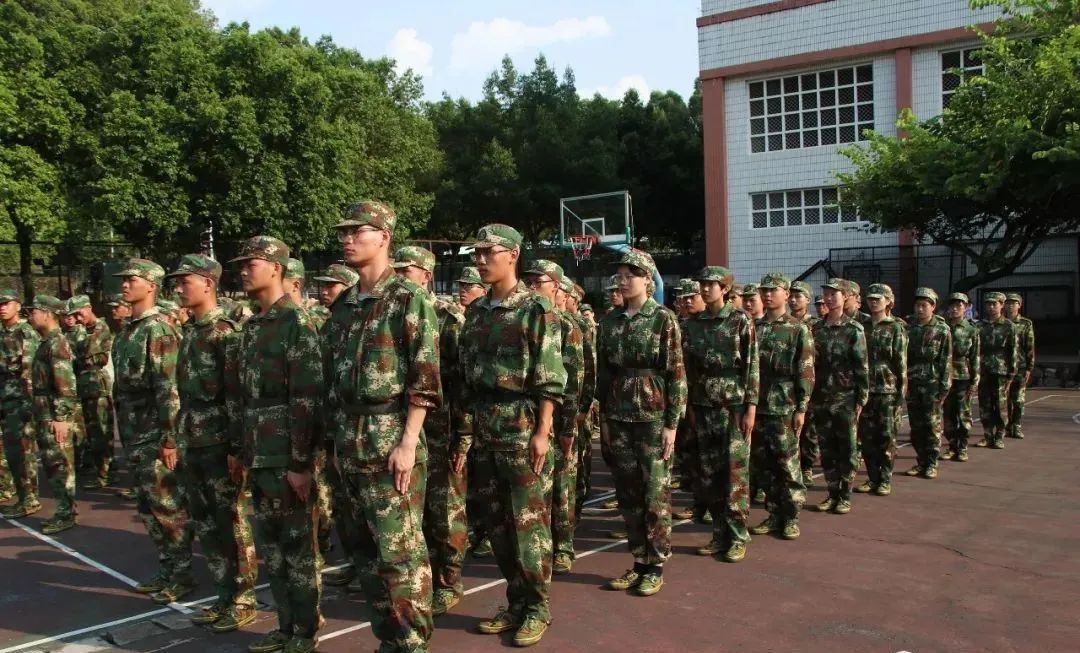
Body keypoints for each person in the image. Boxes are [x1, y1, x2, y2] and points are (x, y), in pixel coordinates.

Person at [321, 204, 440, 653]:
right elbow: (334, 378)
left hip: (390, 433)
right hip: (350, 439)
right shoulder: (346, 304)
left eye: (358, 231)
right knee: (363, 550)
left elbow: (424, 378)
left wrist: (409, 441)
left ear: (384, 237)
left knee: (400, 551)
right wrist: (334, 441)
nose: (347, 239)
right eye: (343, 232)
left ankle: (412, 641)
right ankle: (389, 638)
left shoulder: (409, 298)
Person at [458, 224, 565, 646]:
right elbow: (466, 377)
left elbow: (550, 376)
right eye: (476, 254)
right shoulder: (478, 311)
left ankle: (538, 607)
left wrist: (543, 431)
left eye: (488, 252)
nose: (480, 260)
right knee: (498, 526)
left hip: (521, 428)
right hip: (485, 428)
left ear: (513, 255)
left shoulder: (536, 309)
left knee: (528, 526)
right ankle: (516, 601)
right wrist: (465, 434)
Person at [227, 237, 324, 653]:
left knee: (299, 551)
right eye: (242, 264)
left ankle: (304, 630)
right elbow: (243, 396)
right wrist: (239, 450)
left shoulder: (298, 324)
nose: (244, 270)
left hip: (287, 455)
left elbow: (307, 399)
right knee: (273, 550)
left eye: (252, 263)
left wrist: (301, 462)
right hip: (259, 453)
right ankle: (285, 626)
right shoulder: (252, 327)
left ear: (276, 268)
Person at [168, 254, 258, 633]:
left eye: (184, 281)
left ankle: (243, 598)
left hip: (220, 442)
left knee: (231, 521)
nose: (177, 288)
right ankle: (224, 595)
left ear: (208, 283)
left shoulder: (225, 334)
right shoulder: (191, 331)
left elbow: (238, 397)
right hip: (194, 438)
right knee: (206, 522)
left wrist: (238, 448)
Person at [597, 249, 686, 596]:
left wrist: (672, 424)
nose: (624, 278)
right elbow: (604, 373)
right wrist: (603, 415)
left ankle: (656, 563)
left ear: (648, 279)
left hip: (652, 416)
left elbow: (675, 372)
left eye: (631, 273)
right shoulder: (609, 322)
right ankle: (638, 561)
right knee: (628, 492)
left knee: (654, 494)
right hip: (618, 413)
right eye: (621, 273)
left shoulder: (663, 319)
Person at [392, 245, 469, 617]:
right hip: (406, 427)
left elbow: (461, 384)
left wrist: (464, 436)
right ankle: (418, 580)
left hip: (443, 427)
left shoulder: (449, 319)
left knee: (445, 509)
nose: (400, 276)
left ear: (425, 274)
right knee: (413, 513)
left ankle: (448, 581)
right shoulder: (393, 311)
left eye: (406, 271)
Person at [111, 259, 194, 604]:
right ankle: (167, 568)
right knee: (148, 508)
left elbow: (168, 388)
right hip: (134, 433)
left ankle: (183, 575)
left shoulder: (157, 330)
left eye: (132, 279)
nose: (125, 285)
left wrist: (170, 438)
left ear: (151, 285)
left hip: (154, 435)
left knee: (168, 507)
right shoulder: (128, 330)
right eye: (125, 279)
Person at [682, 266, 758, 562]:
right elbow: (687, 368)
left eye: (711, 284)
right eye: (702, 284)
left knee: (735, 475)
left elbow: (751, 367)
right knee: (709, 475)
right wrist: (688, 405)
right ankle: (718, 532)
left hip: (732, 407)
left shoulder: (740, 320)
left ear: (725, 289)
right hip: (702, 406)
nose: (705, 289)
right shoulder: (694, 324)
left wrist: (750, 407)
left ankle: (738, 535)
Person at [523, 261, 583, 576]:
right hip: (527, 417)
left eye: (539, 280)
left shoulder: (568, 325)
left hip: (558, 419)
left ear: (556, 286)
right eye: (529, 279)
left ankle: (563, 546)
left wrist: (570, 426)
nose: (532, 285)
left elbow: (575, 380)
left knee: (561, 486)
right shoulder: (525, 317)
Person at [749, 273, 813, 541]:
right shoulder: (755, 327)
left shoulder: (798, 328)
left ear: (786, 294)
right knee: (763, 465)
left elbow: (806, 371)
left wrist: (801, 407)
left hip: (784, 404)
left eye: (773, 290)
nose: (767, 294)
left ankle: (791, 516)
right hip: (758, 403)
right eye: (764, 290)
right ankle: (773, 513)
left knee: (787, 464)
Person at [809, 278, 868, 514]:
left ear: (845, 297)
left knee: (847, 447)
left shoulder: (854, 330)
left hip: (845, 397)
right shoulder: (816, 329)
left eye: (835, 294)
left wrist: (861, 398)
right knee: (827, 447)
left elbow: (862, 367)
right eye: (827, 293)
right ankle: (832, 491)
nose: (830, 297)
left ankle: (844, 494)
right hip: (822, 396)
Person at [27, 295, 84, 534]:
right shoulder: (46, 342)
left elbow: (66, 384)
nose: (30, 316)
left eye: (34, 311)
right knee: (53, 464)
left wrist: (61, 418)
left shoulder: (56, 343)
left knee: (60, 464)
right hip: (45, 413)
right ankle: (64, 509)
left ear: (48, 313)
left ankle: (66, 513)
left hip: (54, 414)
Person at [854, 284, 907, 495]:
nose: (873, 301)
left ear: (888, 301)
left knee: (886, 436)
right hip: (865, 388)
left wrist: (901, 391)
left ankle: (884, 478)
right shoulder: (861, 326)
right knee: (866, 437)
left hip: (887, 388)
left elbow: (900, 362)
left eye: (878, 298)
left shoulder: (896, 327)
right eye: (870, 298)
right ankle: (871, 476)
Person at [68, 295, 116, 490]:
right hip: (85, 388)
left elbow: (88, 356)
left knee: (101, 433)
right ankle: (100, 471)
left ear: (88, 308)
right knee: (91, 432)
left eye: (79, 313)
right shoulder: (83, 331)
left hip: (98, 388)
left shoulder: (100, 328)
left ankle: (105, 474)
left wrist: (79, 357)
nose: (77, 318)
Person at [672, 279, 710, 523]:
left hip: (713, 401)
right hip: (687, 400)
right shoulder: (682, 327)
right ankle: (699, 504)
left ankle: (712, 508)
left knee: (711, 460)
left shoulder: (716, 325)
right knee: (692, 456)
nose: (686, 301)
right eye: (683, 297)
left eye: (691, 296)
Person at [0, 289, 41, 514]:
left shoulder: (26, 333)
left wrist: (29, 404)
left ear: (18, 306)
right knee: (11, 452)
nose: (2, 307)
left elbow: (29, 372)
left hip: (19, 401)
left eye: (7, 303)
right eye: (0, 304)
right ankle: (19, 494)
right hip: (4, 400)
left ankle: (30, 498)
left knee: (23, 452)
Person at [905, 289, 952, 480]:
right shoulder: (909, 328)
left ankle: (931, 463)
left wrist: (944, 387)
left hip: (932, 383)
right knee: (916, 426)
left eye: (924, 305)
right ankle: (920, 461)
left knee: (931, 426)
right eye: (917, 305)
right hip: (913, 383)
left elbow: (946, 360)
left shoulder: (942, 330)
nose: (920, 309)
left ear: (933, 307)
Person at [974, 292, 1018, 450]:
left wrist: (1011, 373)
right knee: (984, 404)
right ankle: (987, 435)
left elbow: (1013, 351)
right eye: (988, 304)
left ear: (1001, 305)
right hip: (983, 369)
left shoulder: (1008, 326)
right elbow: (975, 351)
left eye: (995, 304)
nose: (991, 307)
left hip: (1001, 370)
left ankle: (999, 435)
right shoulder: (979, 326)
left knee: (1000, 405)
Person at [943, 293, 980, 461]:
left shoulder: (971, 330)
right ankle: (951, 445)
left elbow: (975, 356)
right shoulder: (943, 326)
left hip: (962, 375)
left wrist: (975, 379)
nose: (955, 308)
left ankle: (962, 446)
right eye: (952, 305)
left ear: (966, 308)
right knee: (947, 413)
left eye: (959, 305)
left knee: (963, 413)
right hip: (944, 376)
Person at [1004, 293, 1035, 439]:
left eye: (1013, 303)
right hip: (1003, 366)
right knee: (1003, 398)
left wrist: (1029, 367)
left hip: (1020, 366)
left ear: (1019, 305)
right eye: (1008, 303)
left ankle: (1015, 425)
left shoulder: (1025, 323)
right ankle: (1003, 425)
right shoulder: (1000, 322)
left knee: (1018, 398)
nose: (1010, 305)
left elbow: (1029, 346)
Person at [311, 264, 359, 332]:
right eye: (323, 286)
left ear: (349, 287)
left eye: (330, 286)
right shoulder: (328, 314)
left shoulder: (355, 317)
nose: (324, 292)